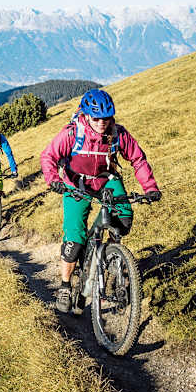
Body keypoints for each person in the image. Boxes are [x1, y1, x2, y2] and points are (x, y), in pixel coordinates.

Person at [40, 89, 162, 313]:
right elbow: (48, 156)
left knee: (123, 219)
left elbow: (137, 158)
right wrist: (54, 179)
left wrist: (150, 187)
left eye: (106, 118)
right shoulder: (72, 133)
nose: (101, 123)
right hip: (76, 184)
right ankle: (66, 286)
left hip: (107, 180)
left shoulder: (117, 134)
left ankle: (113, 256)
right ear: (86, 115)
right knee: (74, 239)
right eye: (96, 118)